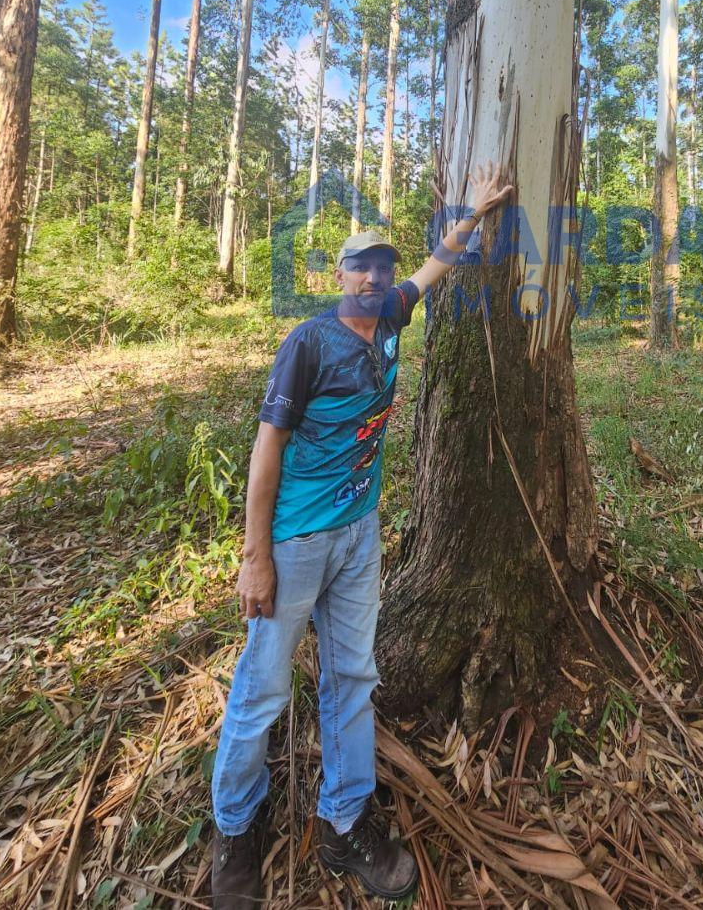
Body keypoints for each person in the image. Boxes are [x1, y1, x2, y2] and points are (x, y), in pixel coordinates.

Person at [211, 162, 511, 908]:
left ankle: (344, 817)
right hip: (295, 543)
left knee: (352, 678)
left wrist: (472, 211)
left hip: (359, 538)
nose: (375, 277)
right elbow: (267, 447)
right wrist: (255, 558)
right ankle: (234, 828)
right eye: (361, 267)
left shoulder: (394, 317)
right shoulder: (308, 342)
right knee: (263, 686)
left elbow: (437, 265)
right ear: (340, 275)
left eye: (383, 265)